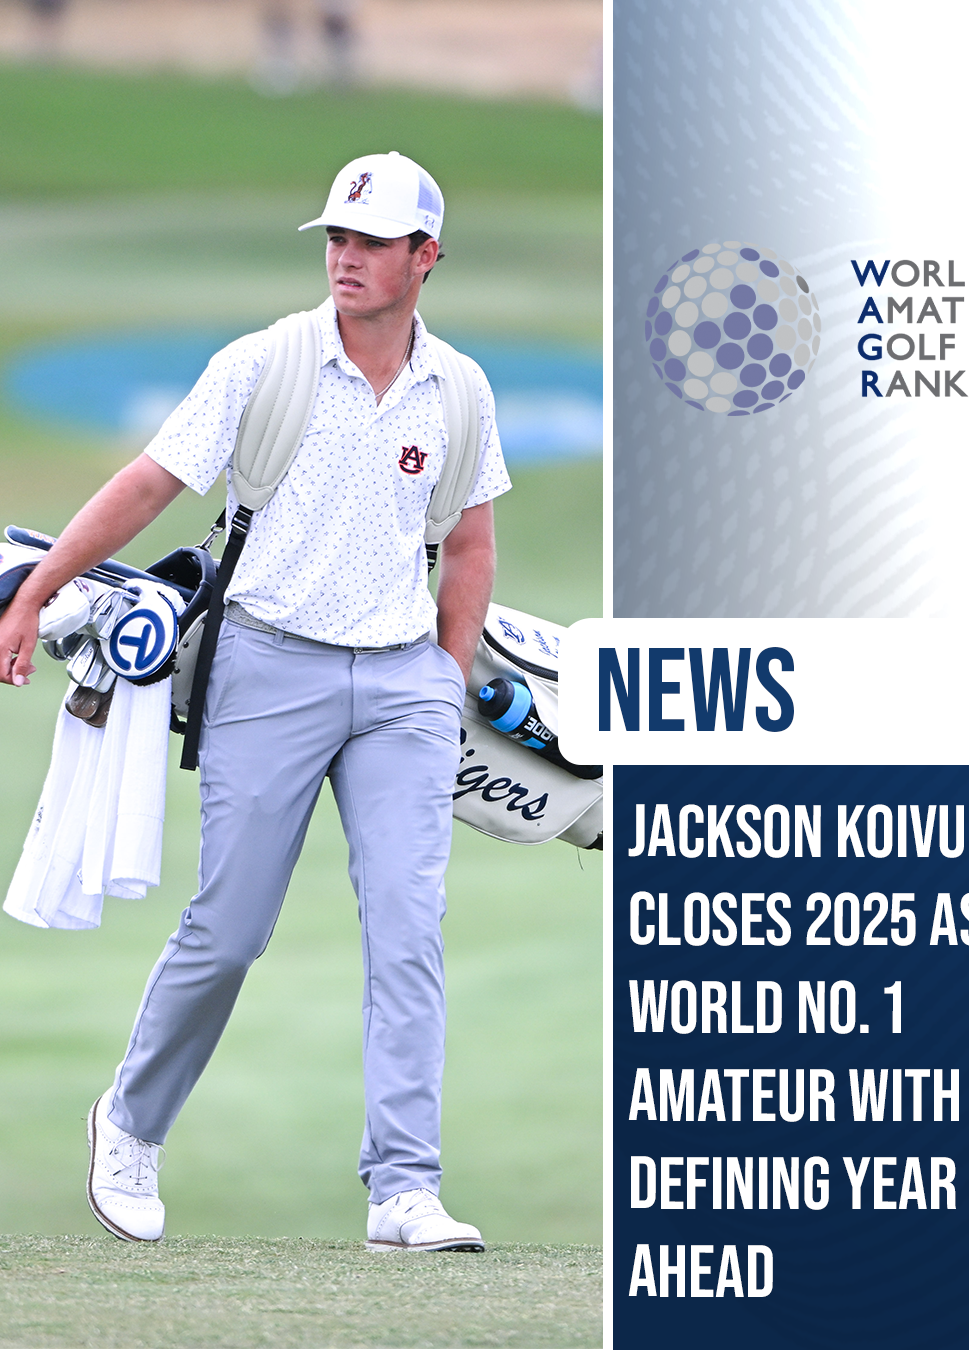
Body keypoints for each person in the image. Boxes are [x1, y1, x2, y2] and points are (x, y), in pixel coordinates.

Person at [0, 151, 510, 1252]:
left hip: (399, 687)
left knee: (409, 934)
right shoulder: (262, 366)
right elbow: (148, 485)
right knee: (230, 931)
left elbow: (468, 542)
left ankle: (404, 1189)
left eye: (373, 243)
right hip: (268, 669)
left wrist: (443, 672)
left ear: (427, 258)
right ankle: (131, 1121)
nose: (348, 258)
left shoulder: (459, 389)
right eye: (337, 238)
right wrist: (38, 590)